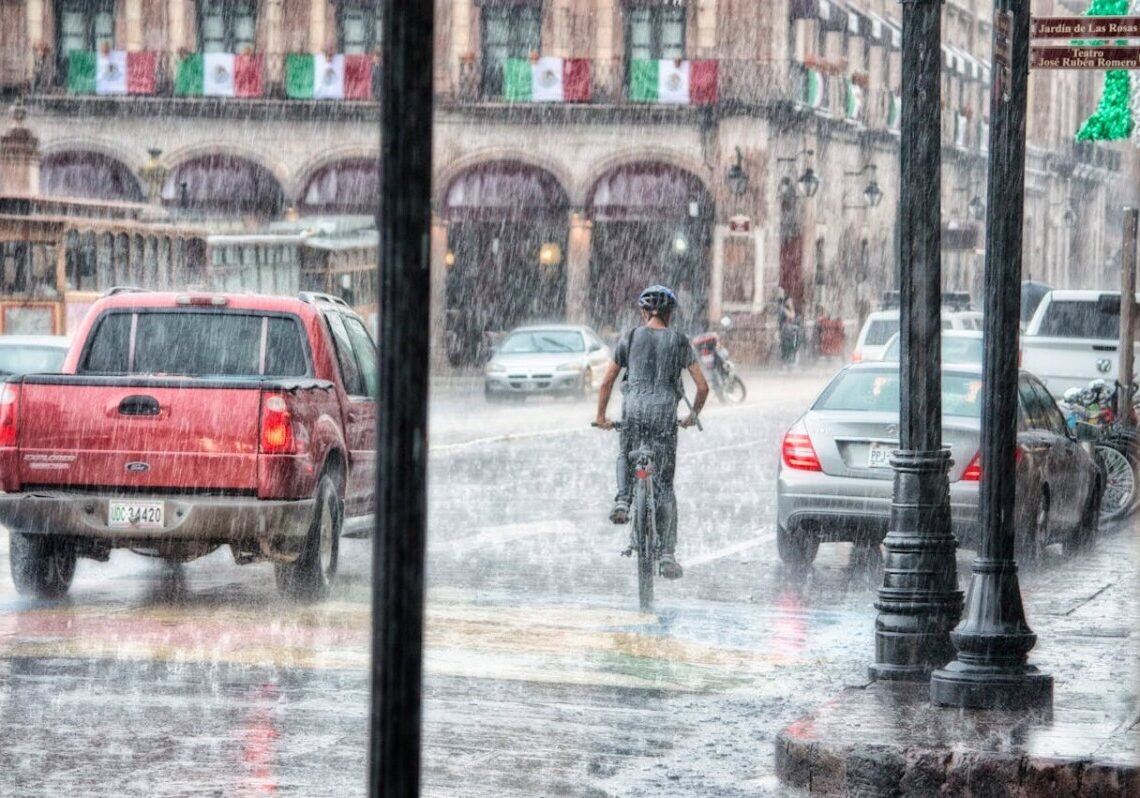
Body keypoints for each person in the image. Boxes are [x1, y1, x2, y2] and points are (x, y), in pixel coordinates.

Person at [594, 284, 709, 580]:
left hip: (633, 412)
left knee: (625, 452)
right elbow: (703, 386)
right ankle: (667, 554)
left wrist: (601, 416)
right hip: (663, 417)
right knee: (664, 487)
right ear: (670, 314)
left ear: (644, 312)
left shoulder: (630, 337)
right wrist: (691, 415)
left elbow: (606, 382)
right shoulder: (680, 341)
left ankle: (622, 499)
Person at [777, 292, 799, 364]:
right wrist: (791, 307)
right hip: (785, 332)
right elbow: (792, 316)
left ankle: (789, 360)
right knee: (786, 348)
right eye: (789, 301)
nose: (791, 303)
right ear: (786, 302)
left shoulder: (788, 309)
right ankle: (786, 361)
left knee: (791, 347)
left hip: (790, 332)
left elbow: (793, 316)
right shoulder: (783, 309)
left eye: (791, 301)